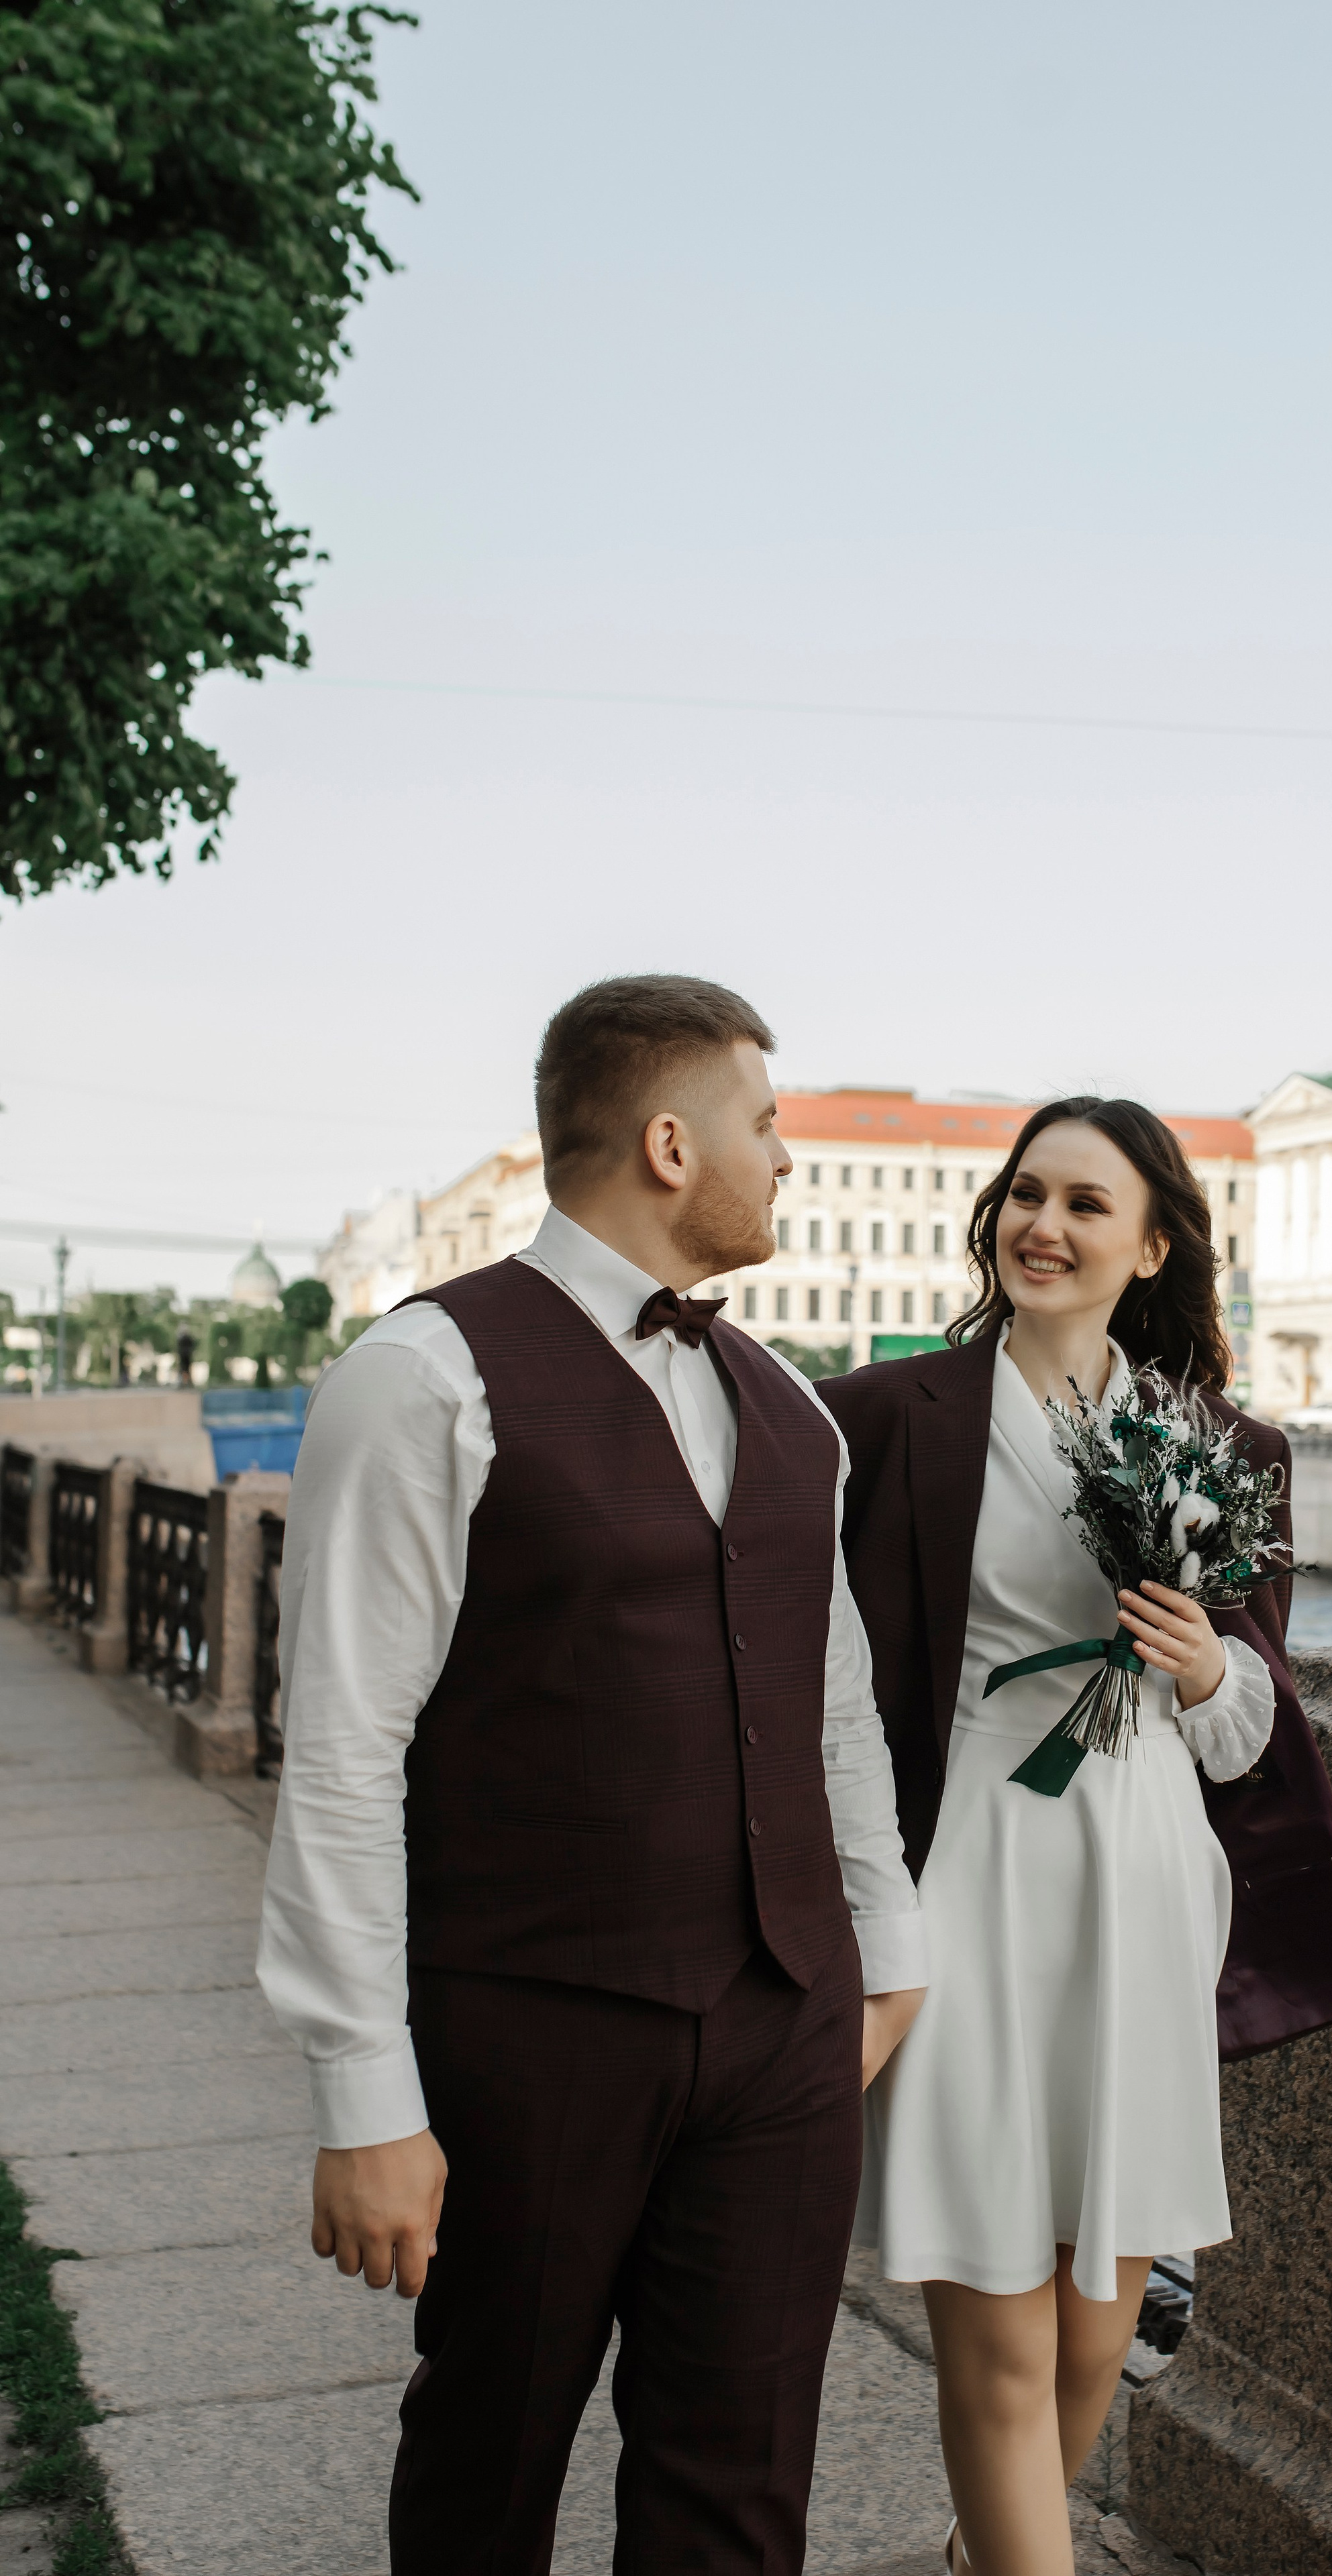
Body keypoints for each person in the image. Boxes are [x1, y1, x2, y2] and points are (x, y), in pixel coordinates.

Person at [256, 975, 927, 2576]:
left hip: (778, 2030)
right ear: (673, 1144)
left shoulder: (792, 1415)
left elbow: (834, 1704)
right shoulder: (422, 1378)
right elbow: (342, 1754)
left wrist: (885, 1955)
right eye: (770, 1127)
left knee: (742, 2479)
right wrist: (364, 2095)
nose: (790, 1160)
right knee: (493, 2450)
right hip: (530, 2022)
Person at [821, 1098, 1332, 2576]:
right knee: (1001, 2350)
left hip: (1144, 1891)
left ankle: (977, 2560)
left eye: (1084, 1204)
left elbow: (1246, 1741)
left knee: (1094, 2337)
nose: (1042, 1226)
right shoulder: (886, 1420)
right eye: (1024, 1194)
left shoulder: (1227, 1448)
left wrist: (1207, 1668)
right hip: (972, 1883)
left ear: (1148, 1246)